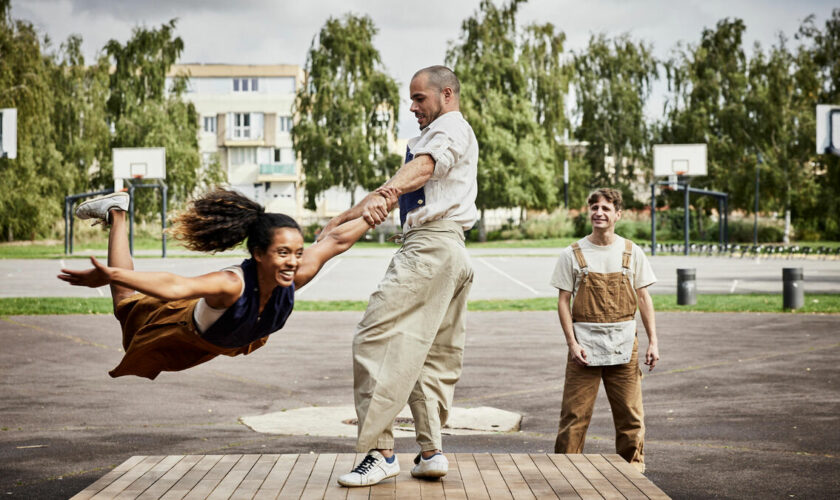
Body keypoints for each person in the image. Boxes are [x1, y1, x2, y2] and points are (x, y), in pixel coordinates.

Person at [321, 65, 478, 487]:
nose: (412, 107)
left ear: (446, 94)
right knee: (425, 354)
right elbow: (400, 185)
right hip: (452, 253)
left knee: (374, 338)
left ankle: (380, 452)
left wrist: (387, 196)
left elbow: (424, 168)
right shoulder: (438, 133)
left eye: (419, 98)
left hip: (430, 248)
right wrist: (342, 218)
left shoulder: (450, 129)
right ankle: (430, 452)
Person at [58, 187, 395, 380]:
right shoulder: (232, 284)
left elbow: (334, 240)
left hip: (223, 341)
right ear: (259, 254)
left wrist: (375, 211)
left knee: (128, 312)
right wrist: (112, 275)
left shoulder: (295, 272)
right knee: (125, 306)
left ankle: (117, 216)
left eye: (297, 252)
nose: (293, 261)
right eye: (282, 253)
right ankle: (117, 211)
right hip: (181, 328)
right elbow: (176, 285)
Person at [550, 188, 660, 473]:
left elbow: (644, 298)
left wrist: (653, 342)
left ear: (617, 215)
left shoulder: (631, 251)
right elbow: (563, 301)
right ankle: (564, 473)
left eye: (606, 208)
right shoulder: (572, 253)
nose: (599, 212)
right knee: (574, 416)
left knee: (630, 416)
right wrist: (572, 344)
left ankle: (632, 473)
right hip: (584, 349)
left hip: (624, 346)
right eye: (595, 207)